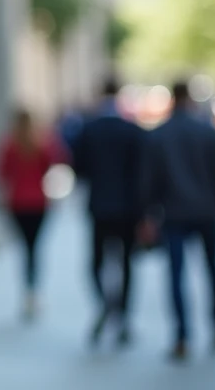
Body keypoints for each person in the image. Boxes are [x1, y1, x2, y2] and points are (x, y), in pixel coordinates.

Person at [144, 80, 215, 361]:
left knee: (176, 275)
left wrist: (148, 214)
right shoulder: (207, 132)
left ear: (172, 99)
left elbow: (150, 179)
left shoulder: (159, 135)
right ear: (190, 99)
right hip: (206, 210)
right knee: (212, 269)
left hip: (174, 213)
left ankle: (181, 337)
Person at [71, 78, 147, 348]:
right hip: (128, 208)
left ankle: (106, 304)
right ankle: (122, 314)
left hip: (100, 206)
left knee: (96, 262)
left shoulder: (88, 129)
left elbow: (78, 167)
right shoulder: (132, 130)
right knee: (126, 263)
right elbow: (142, 171)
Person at [0, 107, 68, 321]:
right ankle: (33, 291)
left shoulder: (9, 144)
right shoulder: (43, 142)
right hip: (39, 202)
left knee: (26, 248)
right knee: (35, 248)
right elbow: (57, 164)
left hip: (17, 203)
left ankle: (28, 291)